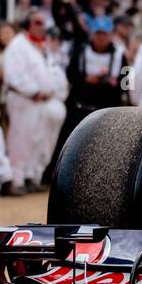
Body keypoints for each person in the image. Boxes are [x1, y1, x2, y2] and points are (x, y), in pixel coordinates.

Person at [47, 11, 126, 174]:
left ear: (111, 35)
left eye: (104, 34)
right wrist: (85, 78)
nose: (101, 38)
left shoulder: (119, 54)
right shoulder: (82, 51)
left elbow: (128, 78)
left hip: (108, 107)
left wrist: (116, 84)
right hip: (80, 107)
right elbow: (70, 74)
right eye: (98, 34)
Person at [0, 13, 61, 195]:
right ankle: (16, 181)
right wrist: (33, 91)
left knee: (37, 140)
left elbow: (51, 74)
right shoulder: (18, 45)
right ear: (28, 24)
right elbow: (13, 75)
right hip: (23, 99)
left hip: (40, 101)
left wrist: (47, 92)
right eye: (38, 23)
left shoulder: (40, 47)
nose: (42, 27)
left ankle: (30, 176)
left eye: (44, 23)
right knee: (19, 140)